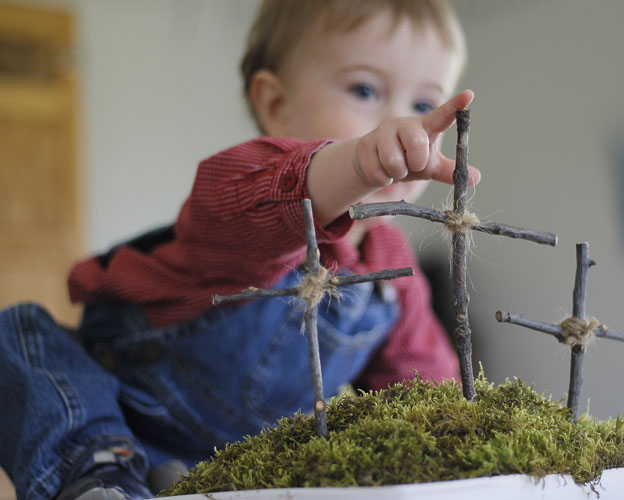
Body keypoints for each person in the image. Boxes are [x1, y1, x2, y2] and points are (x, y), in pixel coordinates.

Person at [0, 1, 480, 499]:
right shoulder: (250, 191)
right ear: (275, 104)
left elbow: (427, 388)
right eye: (364, 90)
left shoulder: (392, 272)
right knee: (21, 336)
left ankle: (179, 480)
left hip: (243, 462)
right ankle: (96, 474)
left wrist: (467, 449)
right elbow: (256, 198)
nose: (398, 124)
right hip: (120, 412)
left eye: (425, 105)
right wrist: (353, 163)